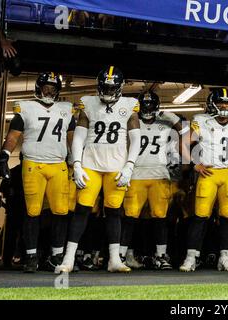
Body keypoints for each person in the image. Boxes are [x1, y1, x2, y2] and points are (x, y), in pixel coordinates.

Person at [56, 66, 141, 273]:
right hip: (90, 164)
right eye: (105, 87)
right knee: (82, 210)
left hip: (117, 166)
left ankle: (114, 260)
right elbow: (79, 136)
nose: (109, 92)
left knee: (114, 212)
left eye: (113, 88)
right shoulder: (89, 102)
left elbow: (136, 139)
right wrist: (76, 164)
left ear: (120, 87)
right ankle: (67, 259)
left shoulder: (130, 105)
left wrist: (129, 166)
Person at [0, 72, 74, 272]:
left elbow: (73, 139)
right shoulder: (26, 107)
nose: (49, 91)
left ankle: (56, 256)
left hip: (58, 164)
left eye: (53, 88)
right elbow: (13, 136)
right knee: (32, 212)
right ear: (38, 88)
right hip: (33, 164)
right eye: (46, 87)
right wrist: (5, 154)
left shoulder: (66, 109)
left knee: (61, 211)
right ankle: (31, 256)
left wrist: (78, 161)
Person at [179, 88, 228, 272]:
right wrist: (194, 163)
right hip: (209, 173)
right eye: (221, 102)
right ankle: (191, 257)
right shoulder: (202, 121)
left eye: (227, 103)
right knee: (199, 217)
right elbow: (182, 143)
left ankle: (225, 256)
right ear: (212, 103)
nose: (224, 106)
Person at [120, 91, 186, 270]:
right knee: (129, 218)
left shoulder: (166, 123)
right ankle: (121, 255)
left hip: (159, 175)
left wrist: (173, 119)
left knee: (160, 218)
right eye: (145, 104)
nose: (148, 108)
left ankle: (160, 255)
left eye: (151, 104)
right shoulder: (131, 122)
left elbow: (190, 135)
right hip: (136, 174)